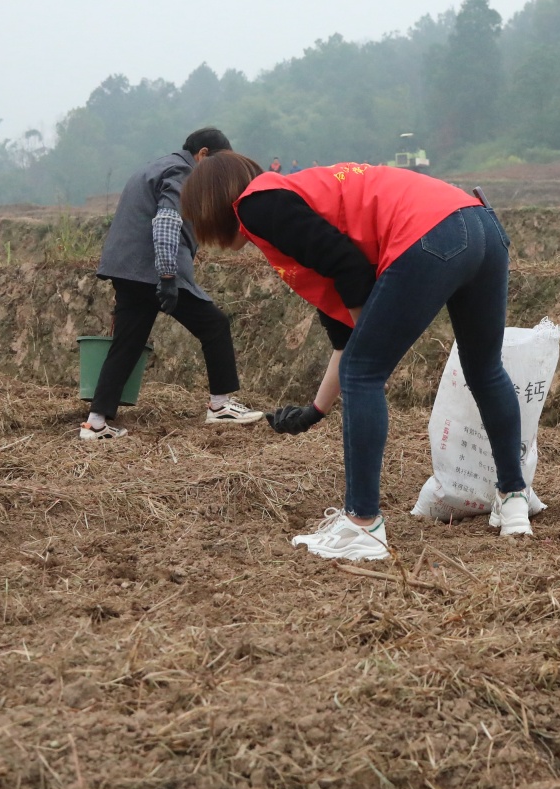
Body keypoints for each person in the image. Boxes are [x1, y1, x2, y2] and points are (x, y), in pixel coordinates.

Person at [181, 154, 533, 560]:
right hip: (480, 224)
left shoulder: (257, 204)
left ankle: (362, 526)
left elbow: (349, 271)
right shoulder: (306, 204)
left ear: (211, 204)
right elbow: (347, 340)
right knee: (484, 368)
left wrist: (370, 355)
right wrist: (315, 409)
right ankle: (513, 501)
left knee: (364, 373)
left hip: (431, 231)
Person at [81, 128, 263, 440]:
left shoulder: (155, 166)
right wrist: (167, 277)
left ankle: (95, 423)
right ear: (203, 154)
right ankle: (220, 405)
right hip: (154, 270)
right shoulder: (182, 172)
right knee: (214, 325)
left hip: (127, 270)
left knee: (128, 344)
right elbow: (166, 221)